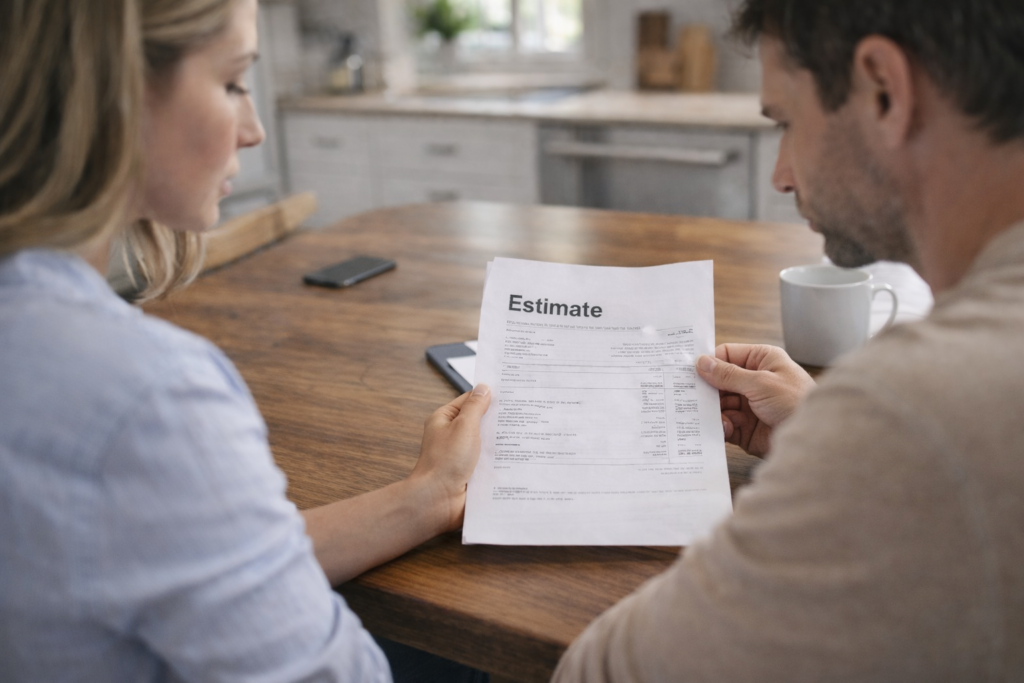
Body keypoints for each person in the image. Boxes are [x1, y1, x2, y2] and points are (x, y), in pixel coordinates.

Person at [0, 1, 490, 681]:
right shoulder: (149, 397)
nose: (255, 129)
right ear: (109, 90)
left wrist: (426, 497)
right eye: (232, 82)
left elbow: (202, 552)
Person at [553, 0, 1024, 680]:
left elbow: (603, 673)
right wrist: (823, 436)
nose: (781, 175)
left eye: (787, 123)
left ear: (883, 91)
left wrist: (854, 445)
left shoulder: (916, 409)